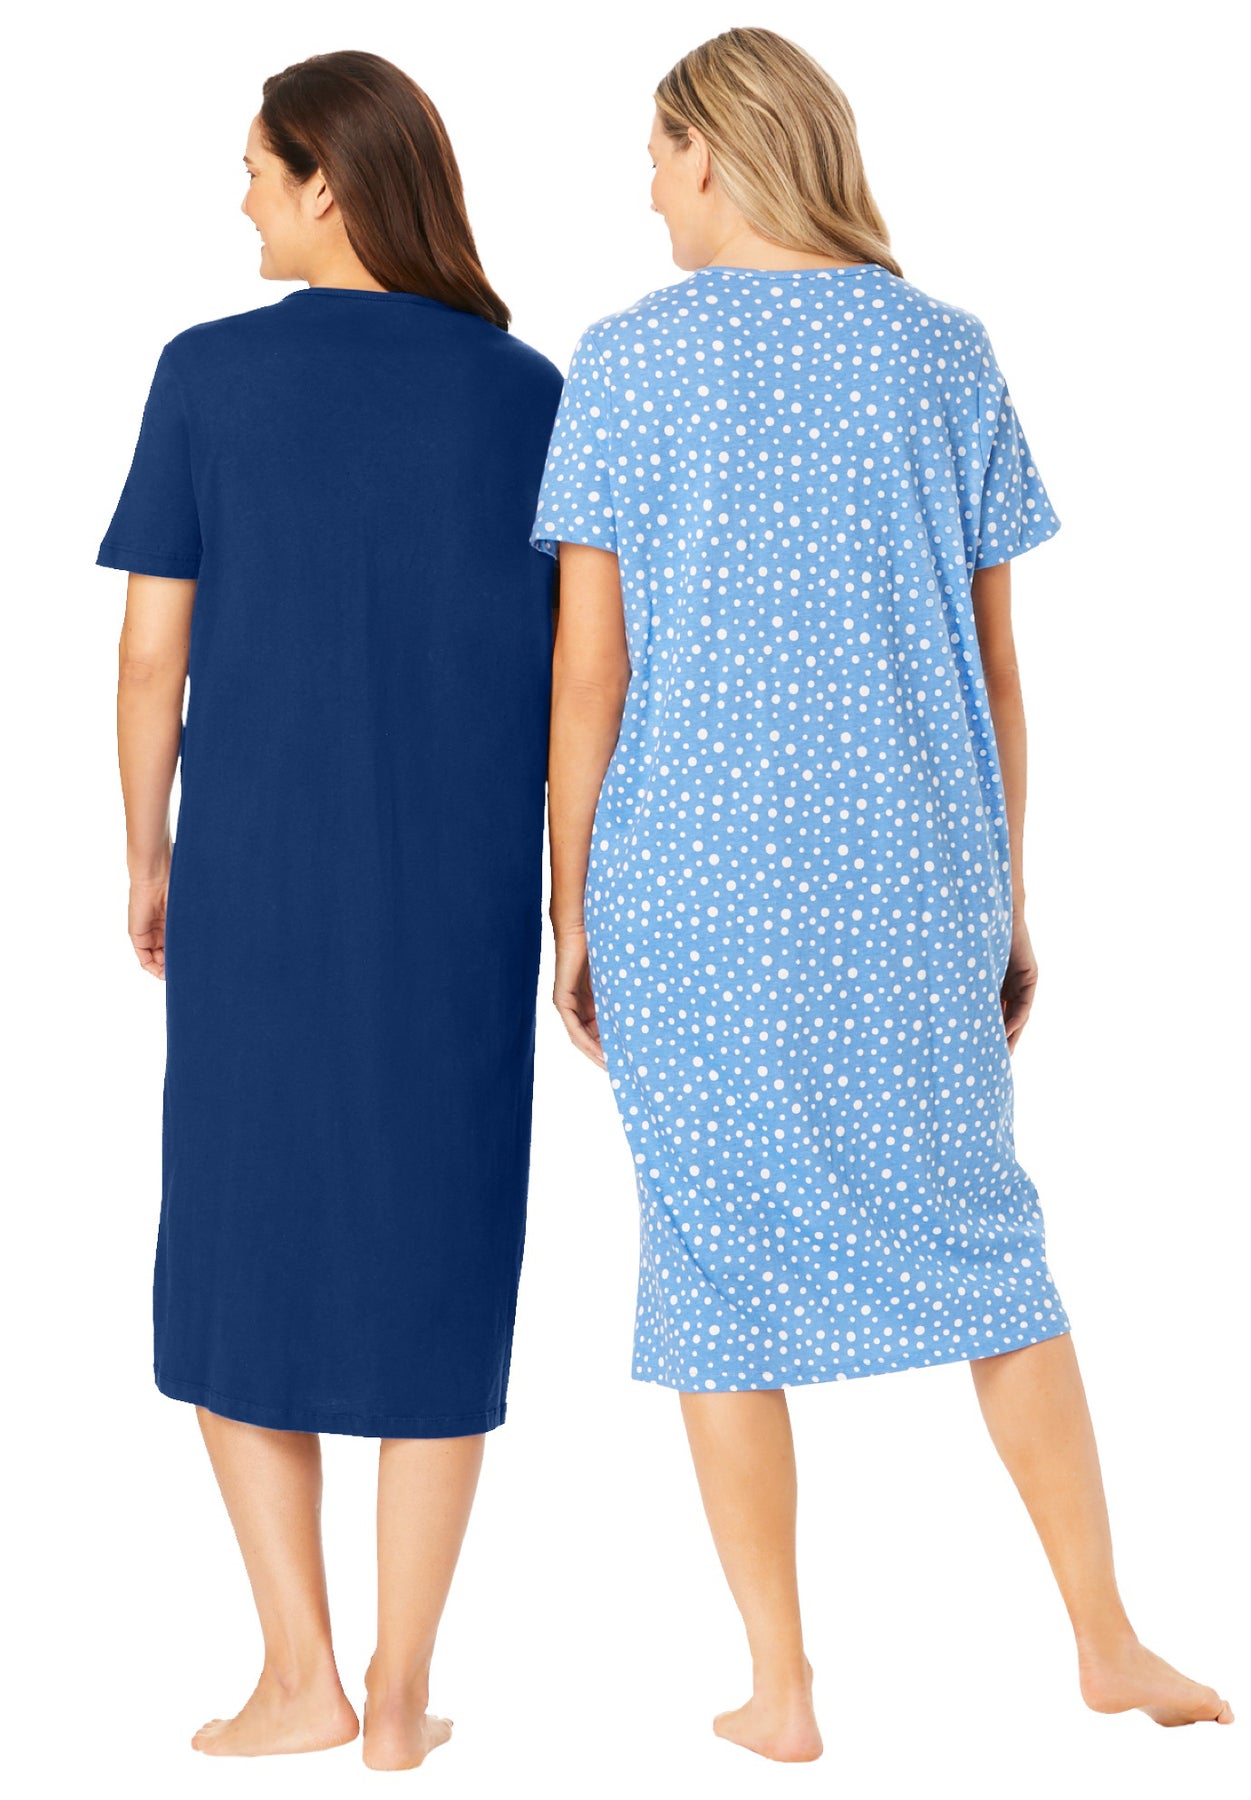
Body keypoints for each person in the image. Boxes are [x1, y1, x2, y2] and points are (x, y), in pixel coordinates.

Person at [534, 26, 1233, 1758]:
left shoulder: (623, 362)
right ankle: (1107, 1638)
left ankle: (782, 1689)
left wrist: (573, 906)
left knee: (713, 1272)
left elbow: (588, 676)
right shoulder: (941, 350)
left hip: (686, 888)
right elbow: (995, 671)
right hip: (912, 880)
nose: (646, 185)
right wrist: (1006, 891)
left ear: (715, 151)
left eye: (656, 150)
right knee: (992, 1248)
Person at [96, 50, 561, 1770]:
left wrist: (146, 852)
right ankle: (402, 1690)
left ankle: (300, 1673)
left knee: (242, 1264)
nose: (239, 198)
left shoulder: (207, 376)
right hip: (462, 903)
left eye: (255, 167)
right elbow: (583, 678)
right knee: (442, 1263)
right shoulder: (529, 394)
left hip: (258, 890)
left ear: (328, 182)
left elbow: (151, 658)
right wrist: (572, 903)